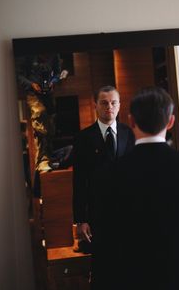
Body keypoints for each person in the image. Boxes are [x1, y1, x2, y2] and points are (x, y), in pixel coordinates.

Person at [105, 86, 179, 290]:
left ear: (131, 121)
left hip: (132, 280)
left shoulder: (111, 174)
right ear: (171, 121)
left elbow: (106, 247)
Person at [72, 85, 135, 285]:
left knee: (129, 268)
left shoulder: (129, 133)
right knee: (103, 271)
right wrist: (80, 219)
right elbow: (79, 181)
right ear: (96, 106)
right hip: (98, 215)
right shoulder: (83, 138)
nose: (109, 107)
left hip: (128, 213)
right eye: (104, 103)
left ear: (119, 105)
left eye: (113, 102)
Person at [17, 53, 68, 173]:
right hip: (33, 93)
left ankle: (47, 158)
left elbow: (58, 72)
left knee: (50, 127)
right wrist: (31, 85)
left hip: (48, 94)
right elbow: (18, 75)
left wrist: (53, 81)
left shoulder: (54, 54)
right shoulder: (27, 54)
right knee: (40, 117)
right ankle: (42, 161)